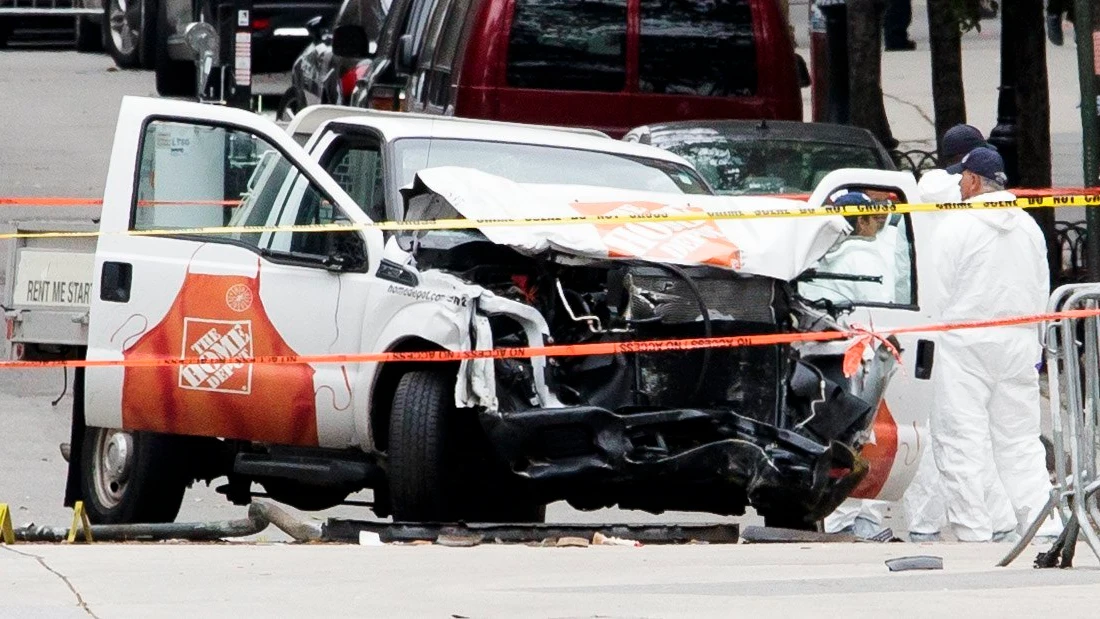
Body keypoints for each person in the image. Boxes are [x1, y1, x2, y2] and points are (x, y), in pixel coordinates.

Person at [927, 147, 1062, 542]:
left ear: (970, 181)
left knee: (961, 440)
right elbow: (1042, 288)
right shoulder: (1027, 226)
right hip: (1019, 342)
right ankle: (1043, 526)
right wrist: (1035, 346)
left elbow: (937, 290)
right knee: (1020, 442)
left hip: (963, 344)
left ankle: (973, 533)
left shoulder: (956, 226)